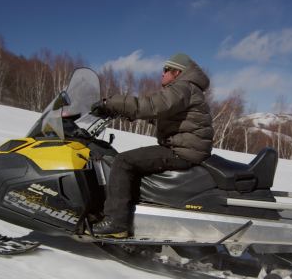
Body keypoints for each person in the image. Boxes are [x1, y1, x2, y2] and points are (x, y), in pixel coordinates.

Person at [90, 53, 213, 238]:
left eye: (165, 70)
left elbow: (151, 106)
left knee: (123, 161)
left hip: (183, 151)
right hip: (187, 147)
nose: (162, 74)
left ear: (177, 72)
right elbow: (173, 119)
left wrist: (111, 103)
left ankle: (116, 222)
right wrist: (129, 114)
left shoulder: (183, 87)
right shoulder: (188, 89)